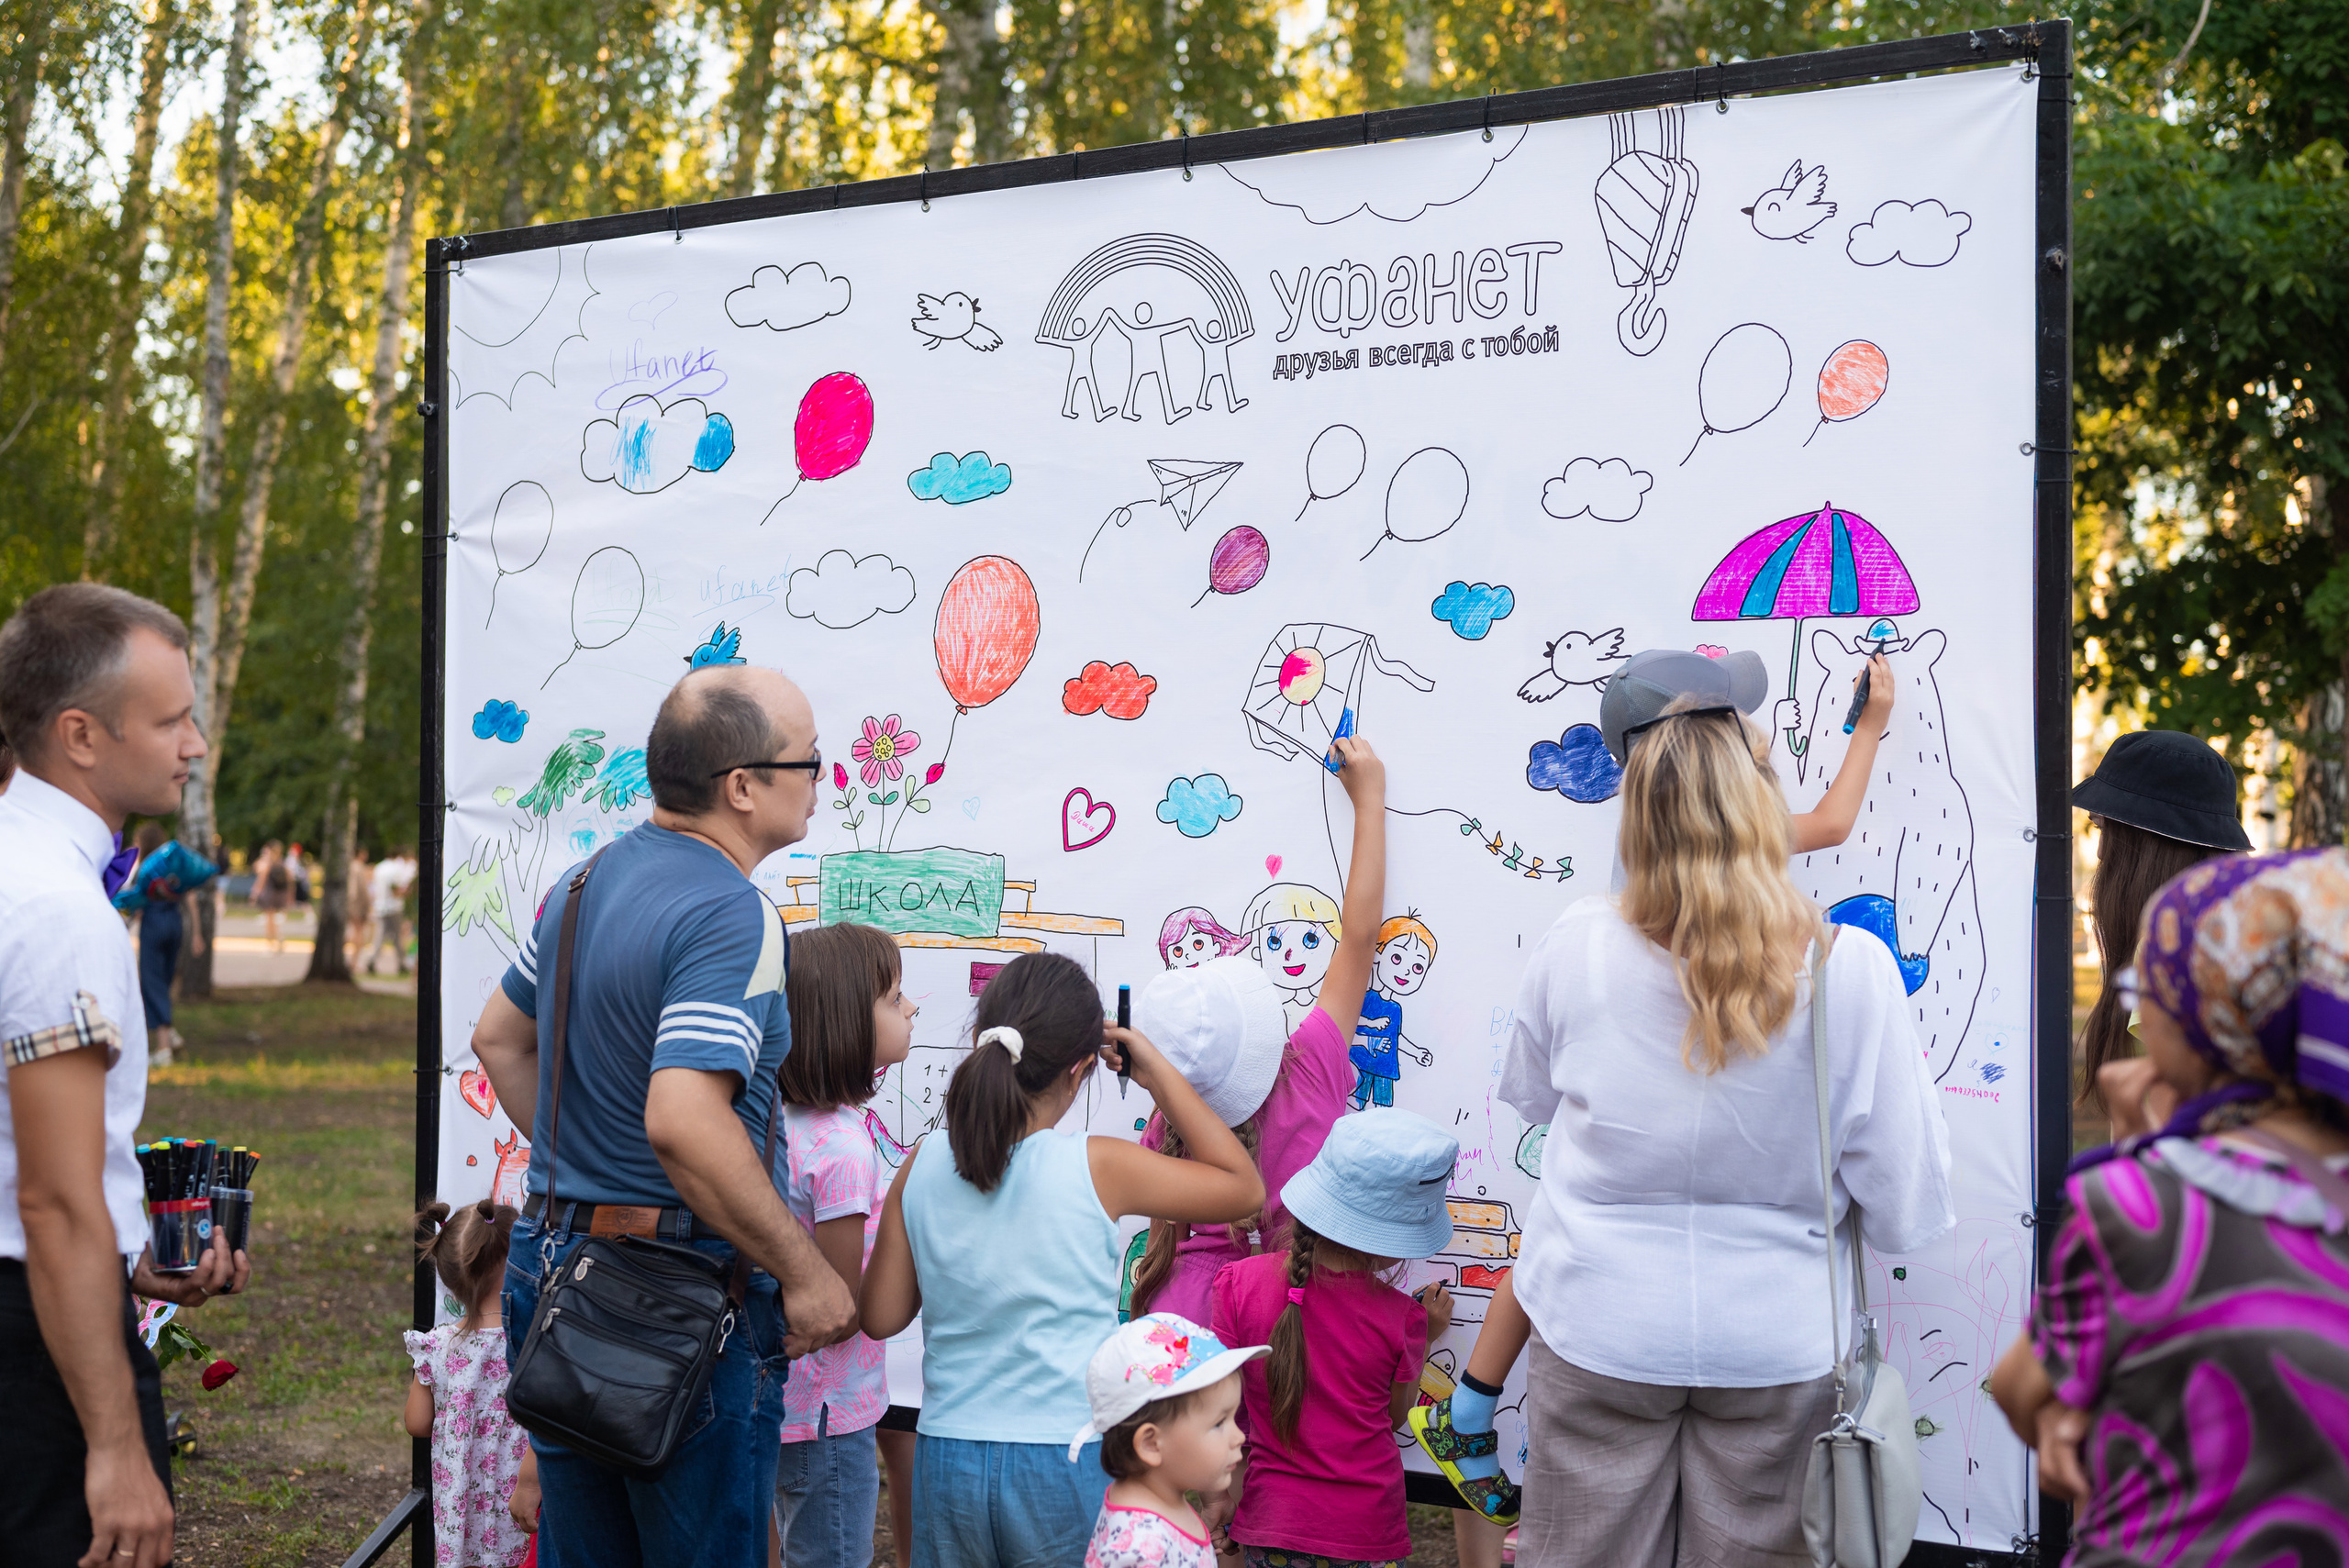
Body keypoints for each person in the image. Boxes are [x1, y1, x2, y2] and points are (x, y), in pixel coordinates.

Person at [1413, 646, 1903, 1525]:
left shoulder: (1580, 937)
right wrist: (1869, 725)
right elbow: (1828, 822)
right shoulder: (1846, 968)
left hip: (1602, 1323)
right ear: (1742, 785)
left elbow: (1531, 1100)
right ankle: (1473, 1402)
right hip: (1776, 1343)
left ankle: (1475, 1400)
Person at [471, 663, 858, 1568]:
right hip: (679, 1291)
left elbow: (498, 1039)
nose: (820, 779)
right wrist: (804, 1272)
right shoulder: (734, 912)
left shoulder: (581, 882)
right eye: (807, 760)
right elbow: (683, 1118)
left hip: (557, 1271)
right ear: (742, 786)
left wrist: (589, 1169)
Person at [1989, 848, 2349, 1563]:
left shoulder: (2139, 1201)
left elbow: (2019, 1388)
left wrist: (2146, 1146)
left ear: (2206, 1017)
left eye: (2142, 990)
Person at [859, 951, 1266, 1568]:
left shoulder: (924, 1161)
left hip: (948, 1455)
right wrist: (1153, 1071)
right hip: (1062, 1455)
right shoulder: (1099, 1165)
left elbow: (882, 1315)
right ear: (1080, 1070)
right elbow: (1243, 1187)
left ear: (981, 1040)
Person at [0, 583, 252, 1568]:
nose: (194, 743)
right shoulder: (57, 908)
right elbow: (55, 1202)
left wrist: (134, 1257)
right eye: (173, 718)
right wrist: (112, 1445)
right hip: (36, 1351)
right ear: (81, 734)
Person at [1128, 736, 1387, 1325]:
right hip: (1292, 1318)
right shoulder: (1311, 1064)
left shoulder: (1168, 1128)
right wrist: (1369, 801)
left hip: (1174, 1315)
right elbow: (1359, 939)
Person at [1210, 1110, 1460, 1568]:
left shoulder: (1235, 1285)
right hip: (1365, 1531)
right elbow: (1394, 1415)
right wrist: (1424, 1338)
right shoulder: (1402, 1318)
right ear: (1390, 1241)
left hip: (1269, 1521)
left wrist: (1222, 1496)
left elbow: (1221, 1409)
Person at [771, 922, 916, 1568]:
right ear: (846, 1022)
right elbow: (836, 1304)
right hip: (830, 1417)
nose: (910, 1007)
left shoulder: (783, 1120)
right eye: (893, 997)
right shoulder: (843, 1150)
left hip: (791, 1407)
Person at [2068, 729, 2249, 1117]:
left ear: (2144, 844)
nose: (2100, 853)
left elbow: (2166, 1141)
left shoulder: (2169, 961)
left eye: (2103, 828)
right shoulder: (2229, 942)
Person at [1068, 1312, 1264, 1568]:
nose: (1238, 1436)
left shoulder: (1163, 1503)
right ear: (1151, 1444)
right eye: (1218, 1423)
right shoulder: (1139, 1551)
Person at [404, 1198, 531, 1568]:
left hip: (461, 1514)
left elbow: (417, 1423)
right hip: (522, 1499)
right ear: (516, 1263)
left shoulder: (436, 1345)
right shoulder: (528, 1341)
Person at [112, 823, 217, 1071]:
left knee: (153, 982)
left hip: (154, 926)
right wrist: (197, 934)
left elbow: (136, 903)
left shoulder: (147, 868)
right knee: (167, 979)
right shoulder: (174, 865)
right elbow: (190, 898)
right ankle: (170, 1035)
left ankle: (163, 1048)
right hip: (175, 924)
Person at [369, 845, 417, 976]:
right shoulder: (396, 869)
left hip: (380, 906)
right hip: (394, 907)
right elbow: (396, 890)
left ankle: (372, 959)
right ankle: (401, 963)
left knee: (379, 936)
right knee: (397, 937)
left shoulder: (379, 868)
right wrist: (408, 891)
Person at [251, 840, 290, 951]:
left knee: (269, 920)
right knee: (272, 920)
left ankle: (271, 943)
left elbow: (259, 874)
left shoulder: (268, 863)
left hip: (270, 894)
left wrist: (255, 893)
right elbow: (289, 879)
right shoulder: (282, 863)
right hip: (279, 894)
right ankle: (278, 939)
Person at [345, 846, 377, 970]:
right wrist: (368, 904)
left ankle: (352, 960)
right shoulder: (359, 868)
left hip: (352, 903)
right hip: (358, 903)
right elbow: (363, 890)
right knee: (359, 931)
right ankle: (354, 961)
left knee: (354, 930)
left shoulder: (350, 866)